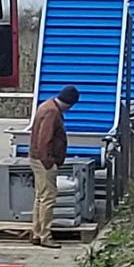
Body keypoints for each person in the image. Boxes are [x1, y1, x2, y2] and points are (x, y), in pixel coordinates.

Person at [29, 86, 78, 249]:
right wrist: (49, 162)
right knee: (48, 198)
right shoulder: (52, 112)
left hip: (36, 158)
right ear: (68, 104)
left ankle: (36, 233)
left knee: (40, 197)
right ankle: (45, 236)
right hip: (44, 161)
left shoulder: (46, 105)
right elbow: (45, 139)